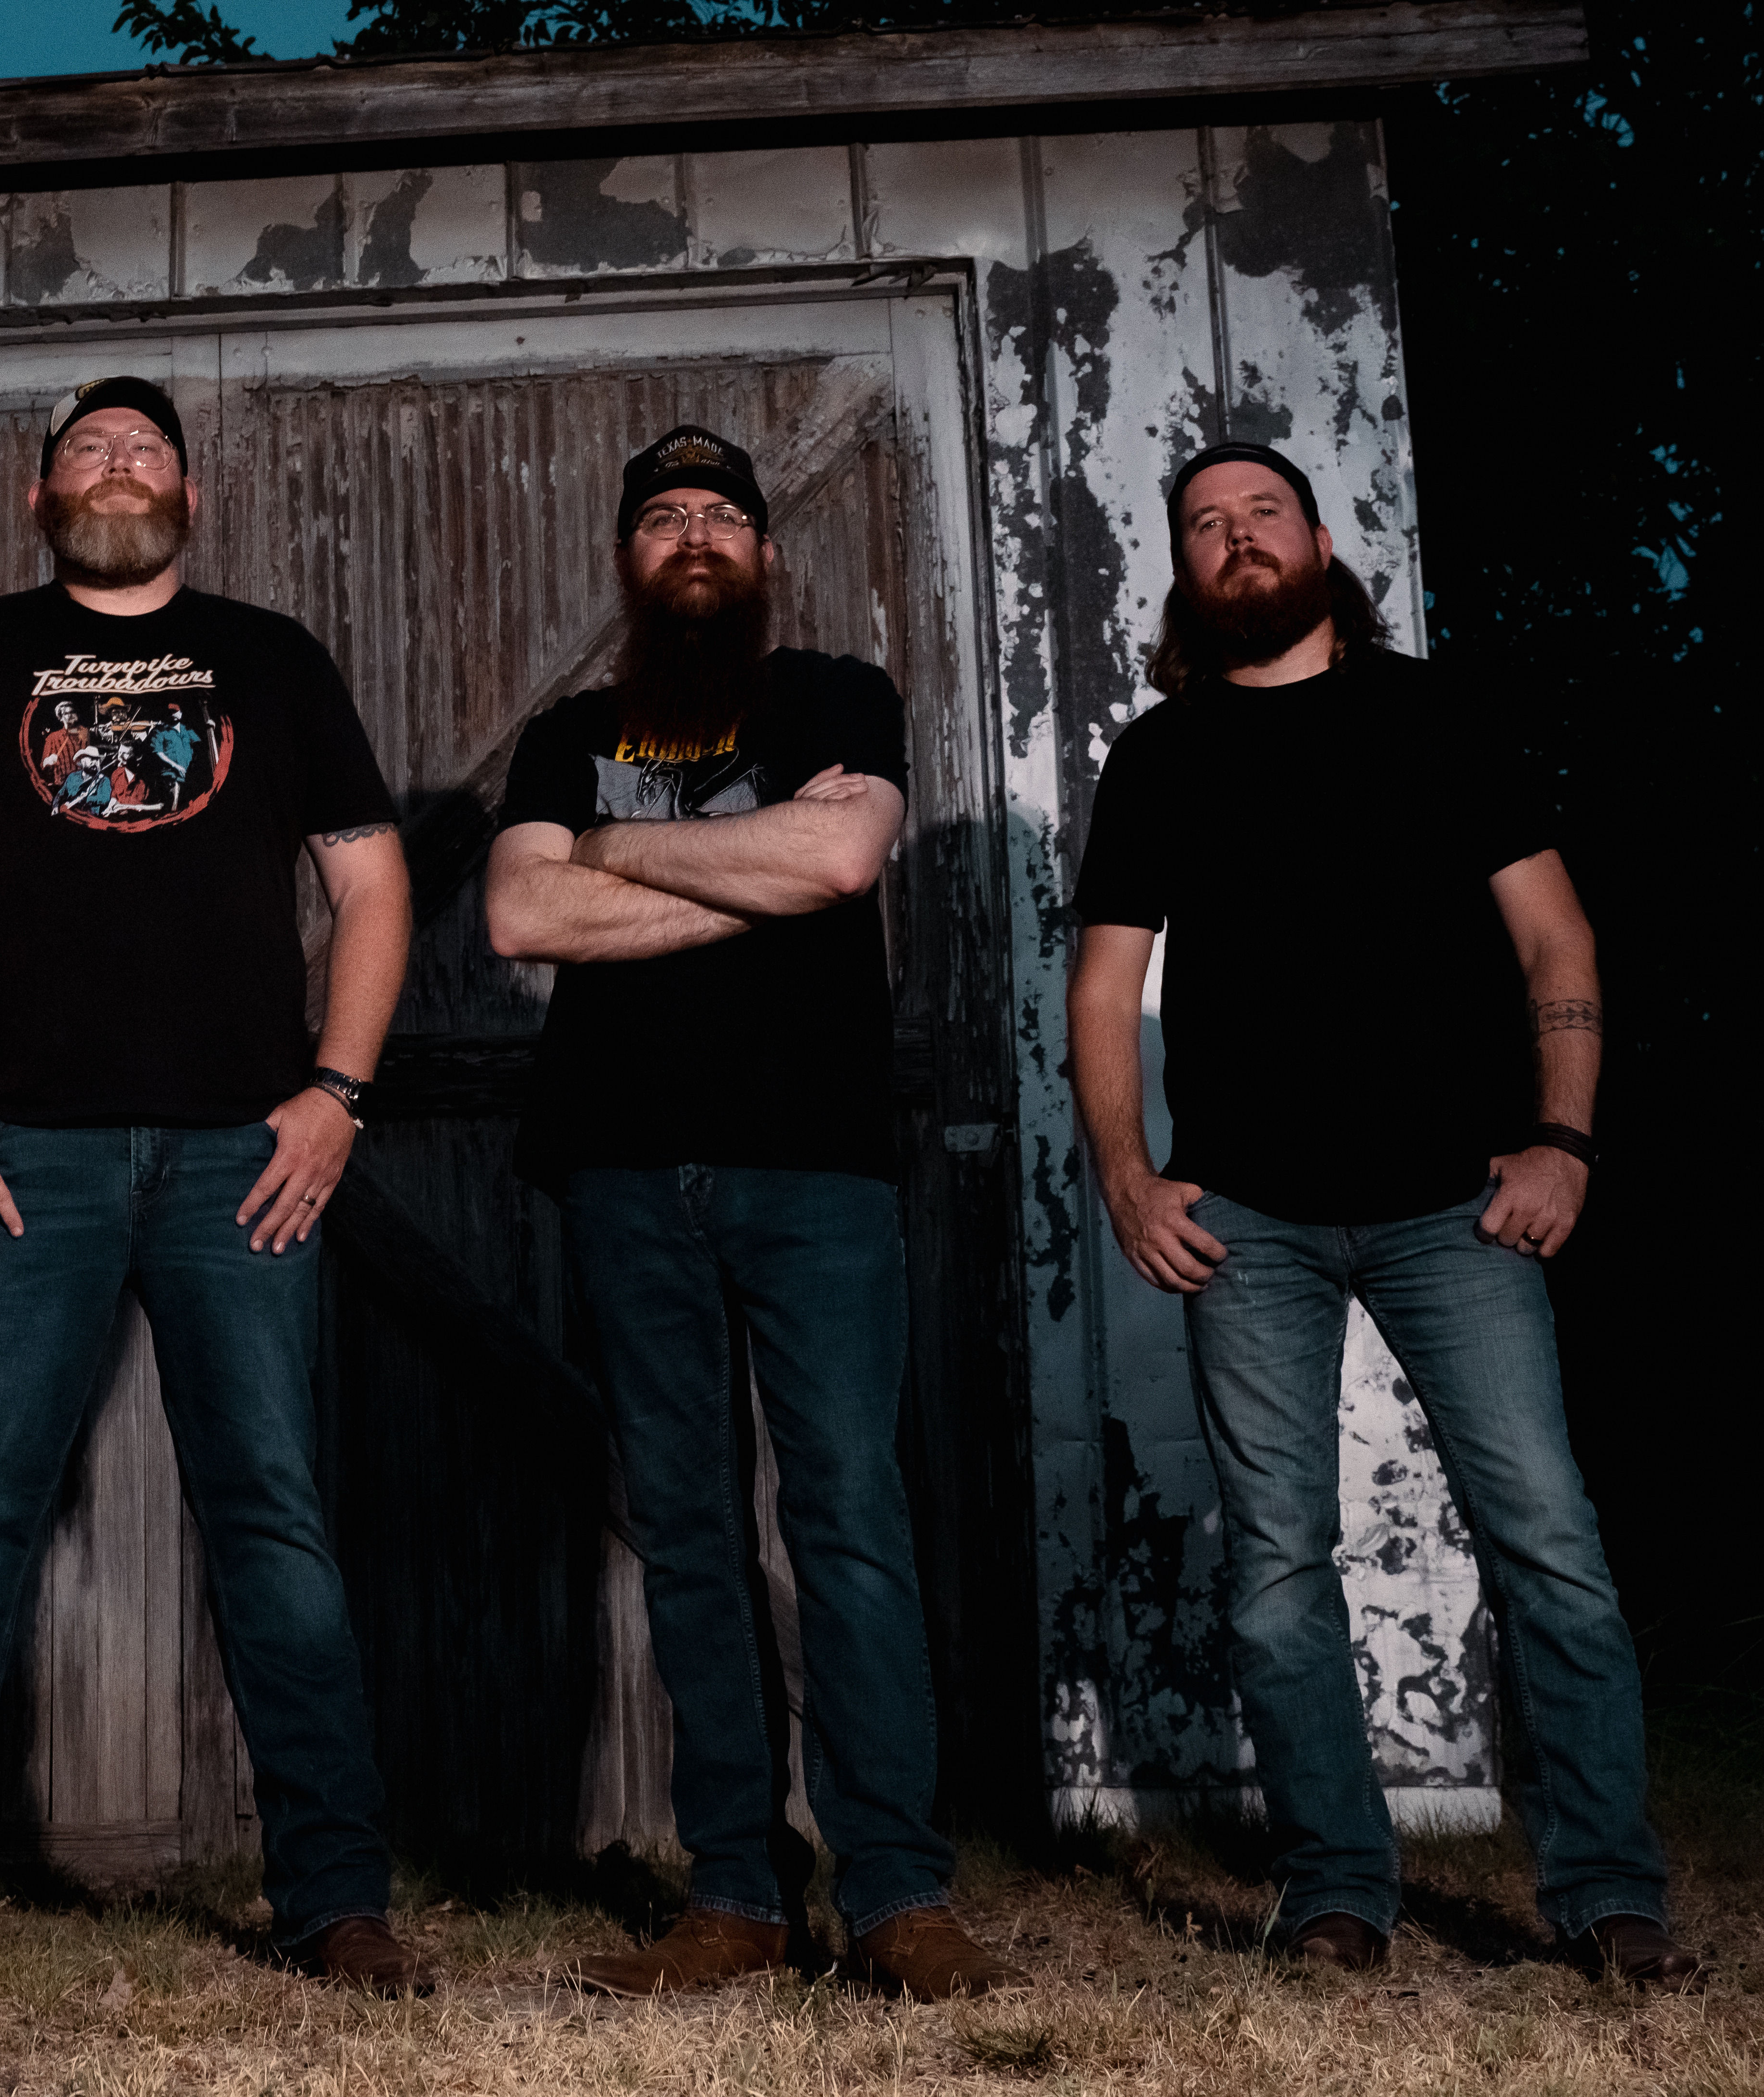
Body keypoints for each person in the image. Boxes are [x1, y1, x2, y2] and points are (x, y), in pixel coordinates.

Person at [0, 376, 424, 1994]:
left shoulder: (272, 660)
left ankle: (335, 1901)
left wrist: (338, 1095)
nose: (117, 464)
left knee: (273, 1523)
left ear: (190, 499)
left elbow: (370, 883)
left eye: (145, 448)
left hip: (241, 1157)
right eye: (86, 446)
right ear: (39, 497)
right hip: (19, 1156)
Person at [1067, 441, 1698, 1987]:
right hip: (1251, 1221)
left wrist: (1564, 1137)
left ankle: (1607, 1894)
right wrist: (1124, 1173)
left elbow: (1555, 932)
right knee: (1277, 1562)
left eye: (1259, 514)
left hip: (1449, 1208)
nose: (1234, 541)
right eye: (1203, 525)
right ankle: (1335, 1889)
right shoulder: (1160, 755)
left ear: (1319, 540)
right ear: (1182, 564)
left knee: (1545, 1538)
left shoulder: (1436, 714)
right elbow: (1097, 986)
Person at [484, 424, 1022, 2000]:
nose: (696, 534)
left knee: (849, 1513)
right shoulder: (566, 728)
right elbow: (521, 908)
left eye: (723, 512)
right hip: (621, 1167)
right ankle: (734, 1892)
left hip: (812, 1163)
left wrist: (616, 853)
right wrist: (747, 857)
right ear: (629, 561)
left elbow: (846, 857)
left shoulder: (836, 697)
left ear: (765, 556)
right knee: (691, 1535)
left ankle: (898, 1893)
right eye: (663, 517)